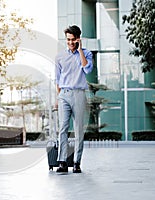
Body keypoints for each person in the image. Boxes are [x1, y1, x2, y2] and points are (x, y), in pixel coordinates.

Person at [55, 25, 93, 173]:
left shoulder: (87, 54)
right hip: (64, 94)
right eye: (68, 40)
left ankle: (77, 162)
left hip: (79, 94)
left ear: (78, 39)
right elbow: (57, 80)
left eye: (73, 40)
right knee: (63, 128)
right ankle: (62, 162)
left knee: (78, 129)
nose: (70, 42)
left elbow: (87, 69)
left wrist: (80, 50)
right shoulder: (59, 56)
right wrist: (58, 98)